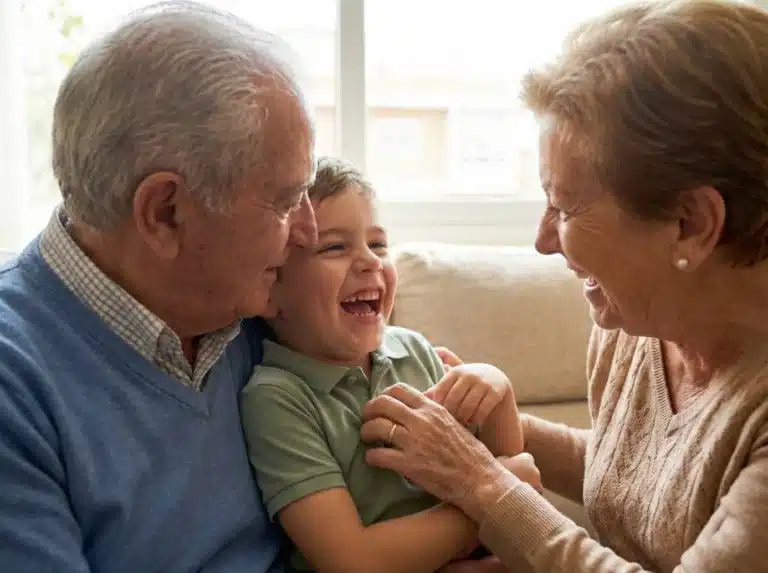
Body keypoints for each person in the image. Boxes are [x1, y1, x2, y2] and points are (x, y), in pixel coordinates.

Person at [359, 1, 768, 572]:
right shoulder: (638, 320)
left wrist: (479, 483)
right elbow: (632, 482)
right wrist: (480, 429)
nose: (543, 241)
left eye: (565, 206)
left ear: (691, 224)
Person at [0, 2, 318, 572]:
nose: (310, 235)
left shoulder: (258, 309)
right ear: (166, 212)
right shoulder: (16, 384)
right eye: (286, 202)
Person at [239, 156, 528, 573]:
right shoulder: (277, 398)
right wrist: (491, 509)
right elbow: (353, 561)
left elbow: (506, 465)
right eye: (335, 247)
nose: (370, 262)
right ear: (270, 292)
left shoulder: (414, 350)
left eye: (377, 245)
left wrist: (497, 391)